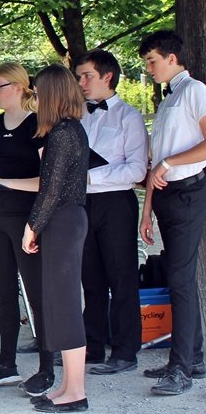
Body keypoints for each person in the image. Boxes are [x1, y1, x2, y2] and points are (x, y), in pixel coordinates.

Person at [0, 65, 91, 413]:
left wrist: (31, 226)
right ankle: (67, 385)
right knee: (58, 303)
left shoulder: (64, 133)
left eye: (39, 91)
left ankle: (76, 391)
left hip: (62, 219)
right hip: (63, 220)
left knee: (65, 305)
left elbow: (51, 190)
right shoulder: (66, 130)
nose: (35, 97)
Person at [0, 63, 52, 394]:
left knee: (36, 292)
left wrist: (5, 182)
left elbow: (48, 181)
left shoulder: (37, 125)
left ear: (20, 87)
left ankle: (47, 366)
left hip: (27, 217)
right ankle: (7, 362)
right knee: (4, 291)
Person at [139, 30, 206, 396]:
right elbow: (155, 164)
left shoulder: (195, 91)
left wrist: (170, 162)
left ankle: (182, 367)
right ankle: (191, 356)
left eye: (152, 61)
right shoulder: (167, 101)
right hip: (165, 196)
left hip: (188, 192)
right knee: (176, 277)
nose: (149, 68)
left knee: (180, 279)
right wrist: (146, 210)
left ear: (172, 57)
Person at [75, 49, 148, 375]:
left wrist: (93, 175)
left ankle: (125, 350)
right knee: (89, 277)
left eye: (87, 75)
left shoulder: (129, 117)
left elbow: (135, 170)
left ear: (108, 76)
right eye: (79, 77)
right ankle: (92, 344)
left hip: (116, 202)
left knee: (121, 276)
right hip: (83, 203)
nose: (81, 82)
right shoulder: (79, 115)